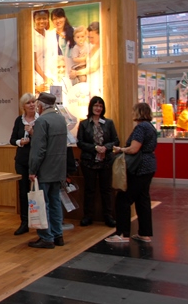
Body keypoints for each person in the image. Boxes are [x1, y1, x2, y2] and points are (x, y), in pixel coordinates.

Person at [107, 103, 158, 243]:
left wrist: (120, 149)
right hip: (149, 166)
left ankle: (122, 233)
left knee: (123, 199)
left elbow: (134, 148)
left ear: (138, 112)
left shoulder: (141, 127)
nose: (132, 113)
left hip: (139, 167)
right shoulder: (150, 127)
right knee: (142, 199)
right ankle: (144, 233)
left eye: (133, 111)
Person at [28, 92, 68, 249]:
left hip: (44, 170)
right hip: (58, 169)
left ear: (41, 105)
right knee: (55, 202)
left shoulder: (42, 121)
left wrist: (32, 169)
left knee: (42, 204)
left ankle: (46, 237)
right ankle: (58, 235)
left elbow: (38, 149)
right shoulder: (61, 119)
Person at [76, 96, 119, 228]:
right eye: (96, 105)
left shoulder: (109, 123)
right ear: (91, 107)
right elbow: (80, 143)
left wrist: (106, 148)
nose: (98, 108)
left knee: (106, 189)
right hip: (89, 161)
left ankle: (108, 216)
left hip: (105, 161)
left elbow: (116, 141)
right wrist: (95, 148)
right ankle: (87, 216)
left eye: (100, 106)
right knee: (89, 189)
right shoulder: (84, 124)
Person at [9, 93, 39, 235]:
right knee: (23, 192)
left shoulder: (41, 119)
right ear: (23, 106)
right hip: (22, 160)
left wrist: (32, 133)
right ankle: (24, 222)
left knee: (38, 191)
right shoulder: (19, 120)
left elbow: (43, 140)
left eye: (33, 102)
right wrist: (20, 142)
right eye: (28, 103)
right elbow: (12, 139)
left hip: (37, 160)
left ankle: (40, 222)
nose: (32, 105)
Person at [69, 22, 102, 97]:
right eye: (89, 37)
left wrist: (76, 73)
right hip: (89, 83)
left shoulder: (103, 48)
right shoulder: (90, 47)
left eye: (92, 37)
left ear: (100, 35)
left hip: (98, 83)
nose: (90, 39)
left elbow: (94, 68)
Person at [45, 8, 75, 87]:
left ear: (64, 18)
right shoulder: (49, 34)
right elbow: (48, 56)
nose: (57, 21)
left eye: (60, 17)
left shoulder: (73, 32)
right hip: (56, 71)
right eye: (55, 19)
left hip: (70, 69)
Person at [32, 10, 53, 93]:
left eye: (44, 18)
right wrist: (45, 78)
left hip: (51, 76)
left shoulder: (50, 35)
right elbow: (33, 61)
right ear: (34, 20)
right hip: (38, 79)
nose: (41, 21)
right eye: (38, 19)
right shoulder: (31, 36)